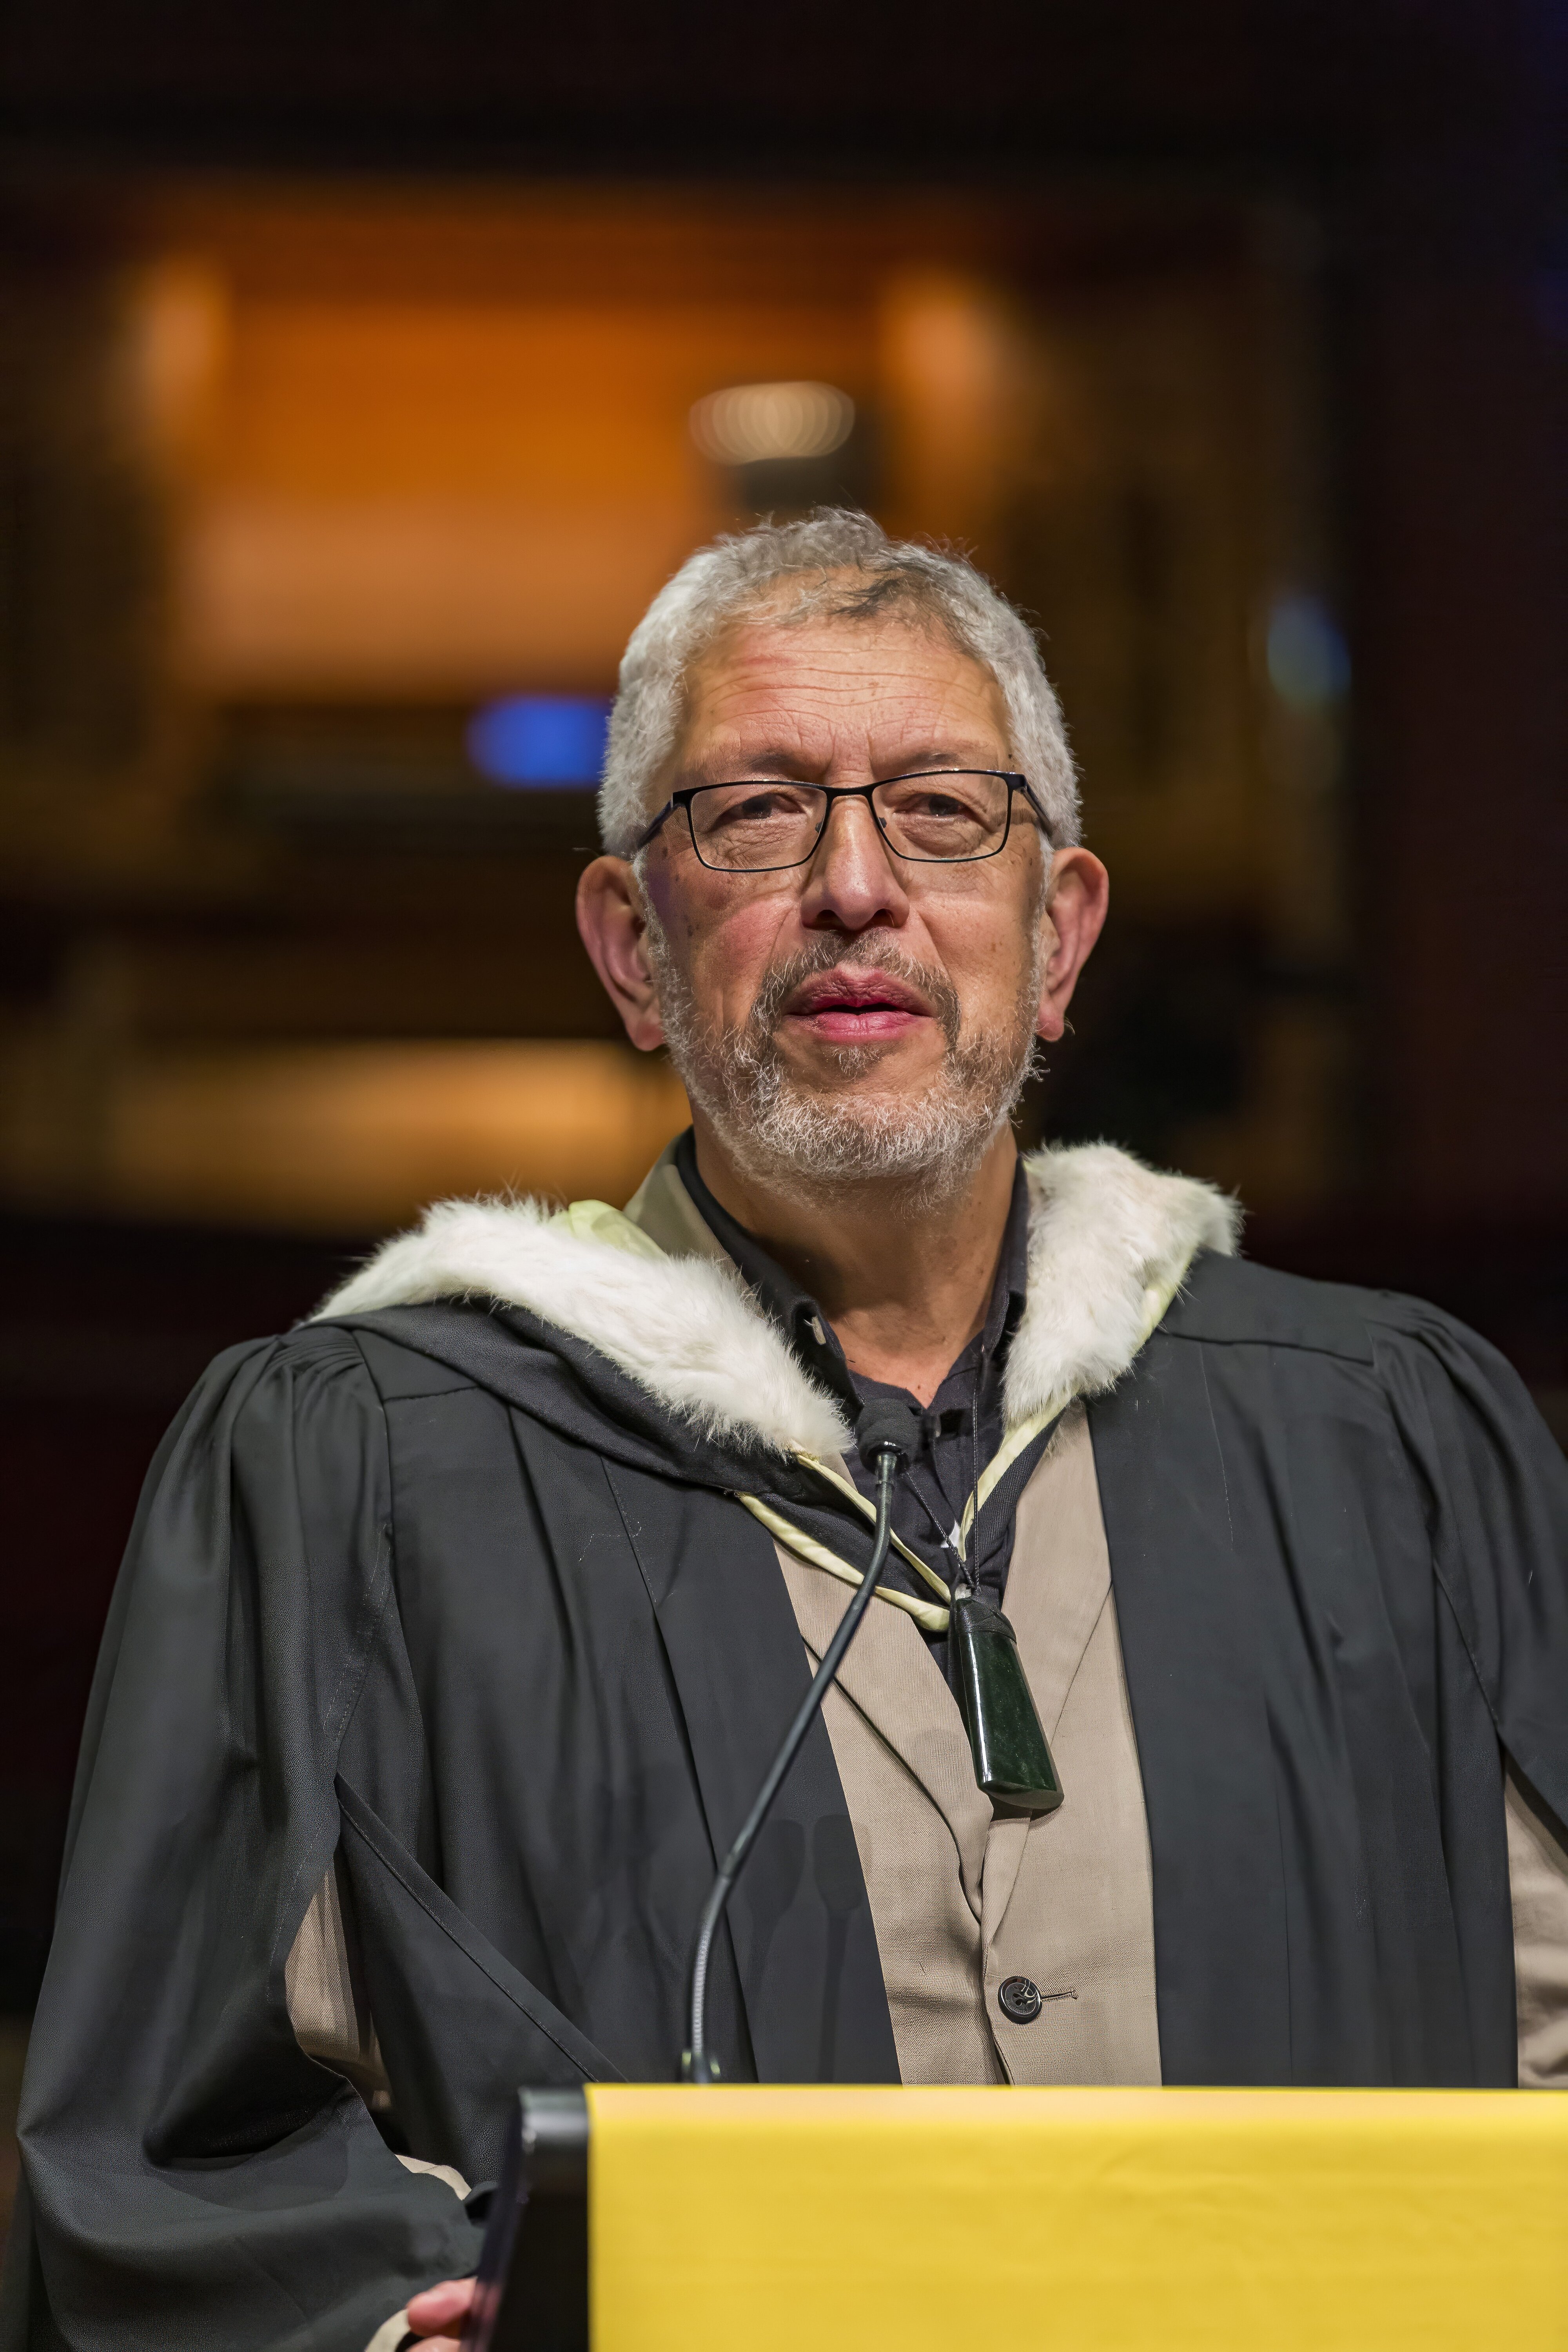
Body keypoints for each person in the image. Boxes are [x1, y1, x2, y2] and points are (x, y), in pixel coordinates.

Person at [5, 512, 1566, 2352]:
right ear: (630, 945)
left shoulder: (1381, 1437)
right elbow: (181, 2166)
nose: (852, 887)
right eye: (754, 812)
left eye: (941, 810)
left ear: (1057, 937)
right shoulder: (367, 1466)